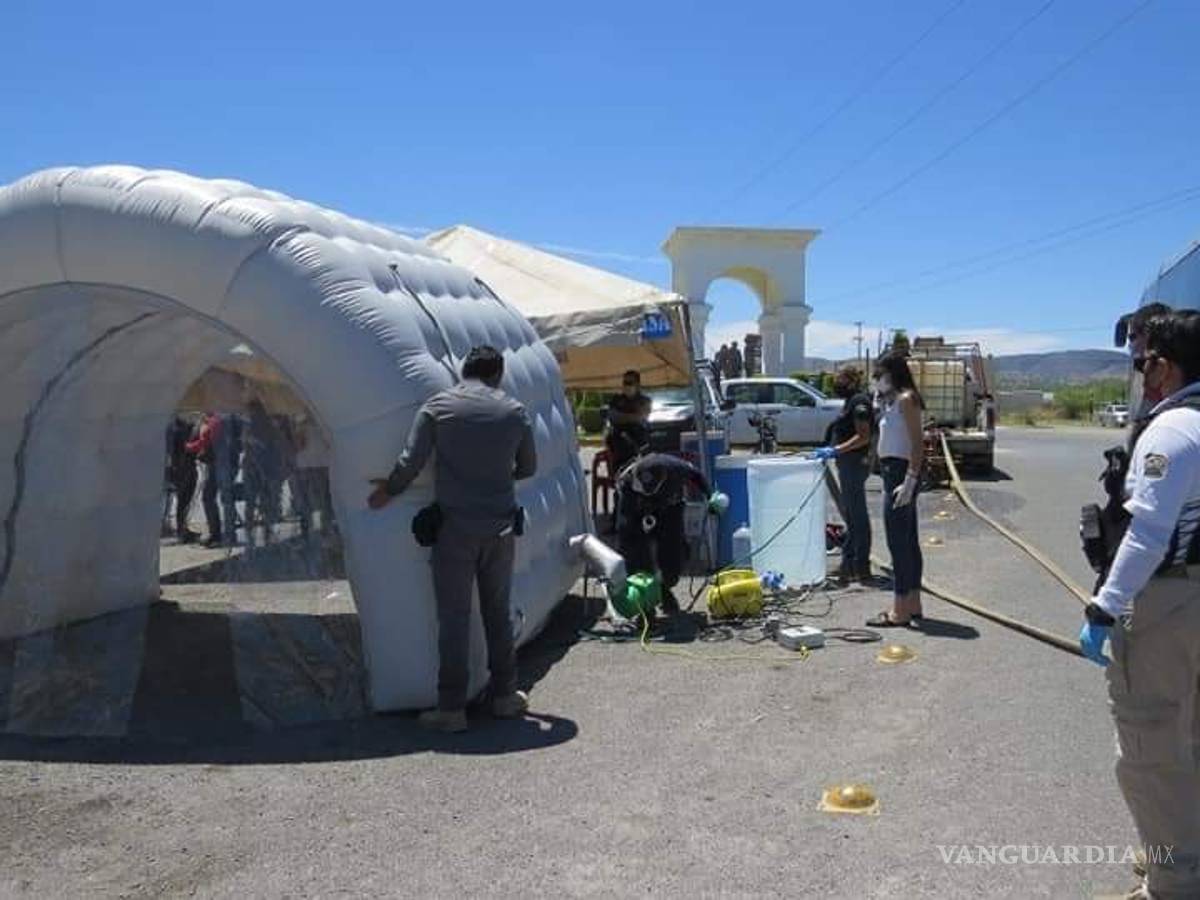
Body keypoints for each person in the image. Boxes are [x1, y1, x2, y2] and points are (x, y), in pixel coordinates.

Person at [1079, 311, 1200, 898]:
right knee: (1191, 735)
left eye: (1142, 361)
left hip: (1169, 600)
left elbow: (1150, 532)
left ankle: (1174, 882)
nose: (1140, 372)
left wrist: (1105, 607)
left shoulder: (1173, 430)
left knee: (1151, 746)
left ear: (1166, 365)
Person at [368, 346, 537, 734]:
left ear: (464, 371)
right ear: (498, 374)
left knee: (454, 618)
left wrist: (387, 492)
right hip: (500, 528)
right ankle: (506, 695)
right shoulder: (514, 411)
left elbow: (411, 460)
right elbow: (528, 466)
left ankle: (452, 708)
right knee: (497, 611)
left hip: (455, 530)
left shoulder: (437, 407)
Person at [866, 352, 926, 628]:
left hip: (902, 473)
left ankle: (900, 610)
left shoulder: (906, 400)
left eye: (880, 374)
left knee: (899, 543)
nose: (877, 379)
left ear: (893, 373)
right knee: (907, 540)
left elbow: (917, 443)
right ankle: (912, 604)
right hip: (891, 471)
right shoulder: (890, 402)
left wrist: (911, 479)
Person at [615, 451, 712, 615]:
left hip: (669, 508)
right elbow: (626, 530)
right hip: (637, 509)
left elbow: (697, 476)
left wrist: (711, 497)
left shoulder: (676, 468)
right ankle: (644, 602)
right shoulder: (628, 482)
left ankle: (664, 589)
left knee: (673, 557)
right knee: (635, 554)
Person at [814, 367, 874, 584]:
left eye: (839, 379)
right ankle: (851, 564)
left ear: (851, 380)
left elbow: (863, 436)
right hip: (848, 463)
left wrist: (836, 450)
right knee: (852, 514)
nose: (835, 383)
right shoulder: (850, 402)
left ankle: (858, 566)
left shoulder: (859, 402)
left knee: (856, 516)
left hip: (854, 463)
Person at [242, 400, 285, 545]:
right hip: (266, 469)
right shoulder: (270, 427)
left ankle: (251, 533)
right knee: (265, 501)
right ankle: (267, 531)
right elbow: (276, 448)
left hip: (253, 469)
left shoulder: (250, 427)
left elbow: (247, 446)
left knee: (251, 501)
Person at [186, 411, 227, 548]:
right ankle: (215, 533)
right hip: (217, 463)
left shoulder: (213, 422)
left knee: (208, 497)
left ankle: (215, 534)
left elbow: (205, 442)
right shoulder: (216, 420)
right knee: (210, 497)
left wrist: (188, 447)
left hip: (213, 463)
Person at [605, 370, 651, 473]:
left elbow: (642, 416)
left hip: (638, 436)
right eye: (624, 383)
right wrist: (632, 417)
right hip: (619, 436)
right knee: (617, 439)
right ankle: (620, 473)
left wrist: (623, 417)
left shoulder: (644, 400)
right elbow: (612, 416)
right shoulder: (617, 399)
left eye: (629, 383)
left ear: (637, 385)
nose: (626, 386)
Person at [166, 416, 200, 543]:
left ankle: (183, 529)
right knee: (183, 501)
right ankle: (182, 531)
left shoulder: (177, 428)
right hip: (183, 468)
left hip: (184, 467)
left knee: (184, 501)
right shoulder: (178, 429)